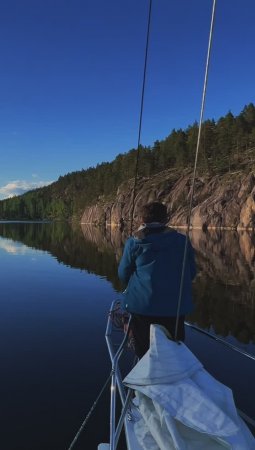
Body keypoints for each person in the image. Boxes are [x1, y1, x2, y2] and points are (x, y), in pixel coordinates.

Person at [118, 201, 196, 358]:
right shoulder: (182, 241)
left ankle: (145, 375)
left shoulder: (134, 242)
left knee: (144, 354)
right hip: (175, 307)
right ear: (166, 219)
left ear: (142, 220)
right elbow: (191, 273)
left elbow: (123, 274)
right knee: (174, 353)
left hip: (142, 307)